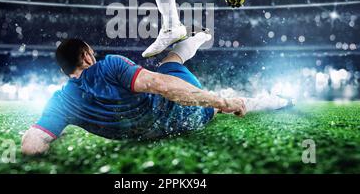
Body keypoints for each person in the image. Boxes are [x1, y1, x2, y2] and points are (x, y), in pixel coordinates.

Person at [21, 32, 291, 155]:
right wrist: (222, 101)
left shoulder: (61, 102)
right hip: (188, 115)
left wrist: (49, 142)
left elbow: (31, 143)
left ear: (64, 71)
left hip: (162, 129)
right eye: (92, 52)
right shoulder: (109, 66)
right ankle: (198, 37)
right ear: (86, 55)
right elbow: (162, 85)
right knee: (170, 64)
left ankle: (267, 100)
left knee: (177, 75)